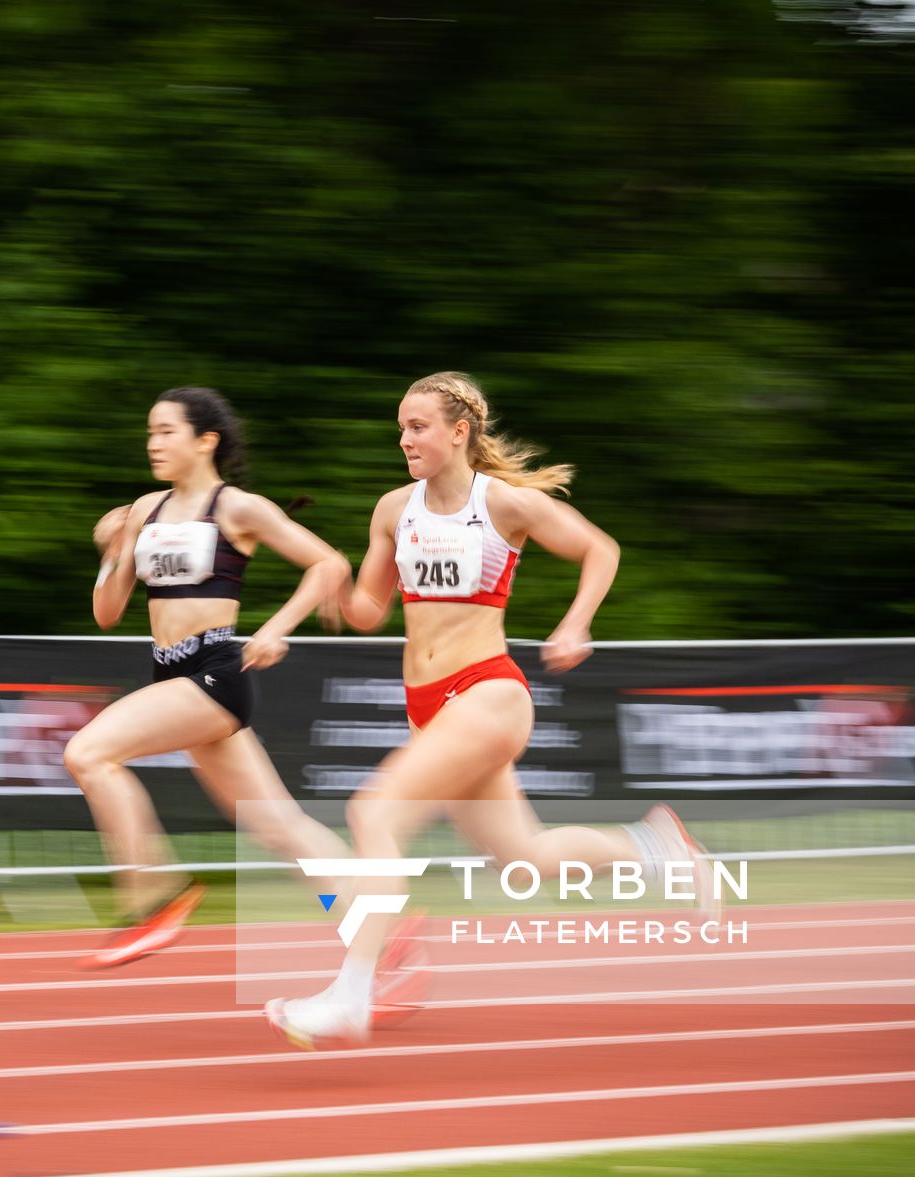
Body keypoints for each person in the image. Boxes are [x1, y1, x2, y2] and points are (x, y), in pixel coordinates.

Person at [265, 371, 717, 1048]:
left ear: (459, 431)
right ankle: (657, 846)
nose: (405, 439)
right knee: (523, 859)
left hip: (488, 692)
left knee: (372, 812)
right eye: (400, 428)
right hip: (428, 706)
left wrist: (576, 624)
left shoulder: (503, 504)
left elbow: (600, 549)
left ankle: (354, 992)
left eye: (418, 426)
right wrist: (332, 583)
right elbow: (367, 612)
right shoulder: (393, 510)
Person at [68, 386, 355, 967]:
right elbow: (106, 613)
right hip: (172, 677)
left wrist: (276, 629)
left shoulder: (236, 508)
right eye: (150, 432)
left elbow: (329, 563)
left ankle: (152, 898)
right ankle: (377, 931)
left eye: (167, 431)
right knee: (278, 826)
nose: (154, 443)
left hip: (216, 674)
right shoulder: (145, 511)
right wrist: (114, 550)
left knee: (88, 754)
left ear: (206, 441)